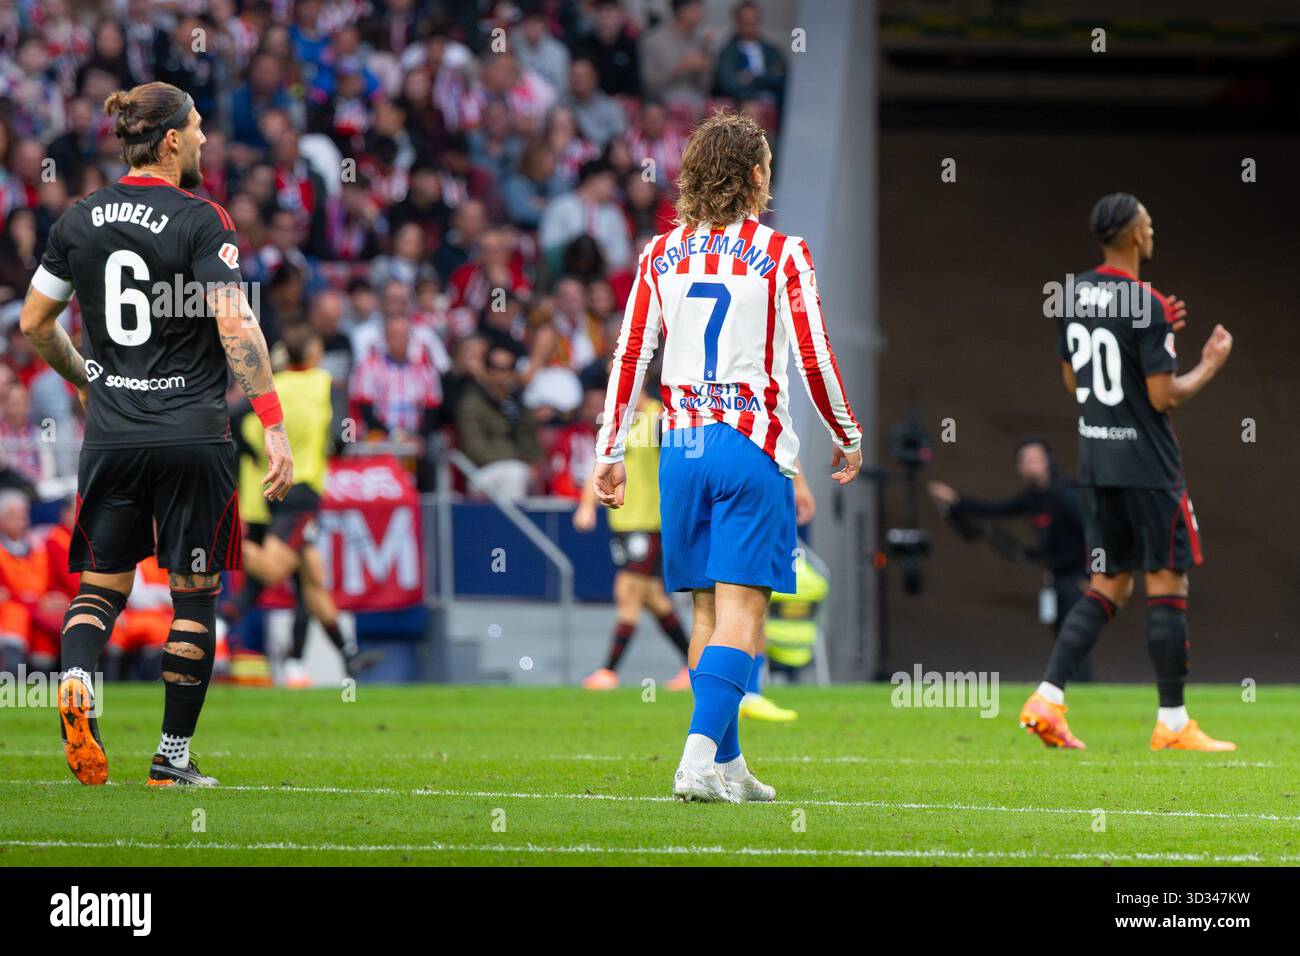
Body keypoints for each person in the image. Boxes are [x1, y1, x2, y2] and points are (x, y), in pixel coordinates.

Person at [18, 81, 294, 788]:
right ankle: (172, 759)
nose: (204, 138)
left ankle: (77, 679)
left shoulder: (77, 219)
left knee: (100, 584)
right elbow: (235, 323)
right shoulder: (204, 219)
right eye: (197, 127)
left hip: (113, 434)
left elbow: (33, 324)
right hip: (191, 436)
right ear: (170, 139)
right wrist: (274, 424)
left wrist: (86, 379)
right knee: (194, 594)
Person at [591, 111, 862, 803]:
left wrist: (610, 447)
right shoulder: (782, 252)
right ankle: (695, 758)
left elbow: (630, 356)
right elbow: (814, 355)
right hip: (749, 443)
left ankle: (729, 765)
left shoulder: (659, 253)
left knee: (711, 611)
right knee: (745, 607)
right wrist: (846, 432)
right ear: (754, 176)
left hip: (679, 447)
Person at [1020, 192, 1234, 752]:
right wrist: (1208, 364)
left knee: (1108, 583)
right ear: (1137, 234)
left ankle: (1046, 697)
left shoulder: (1070, 294)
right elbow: (1165, 396)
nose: (1153, 231)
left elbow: (1074, 382)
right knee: (1167, 580)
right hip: (1149, 467)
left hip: (1096, 463)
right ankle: (1172, 721)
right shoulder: (1150, 302)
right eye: (1151, 224)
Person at [230, 324, 383, 685]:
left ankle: (347, 655)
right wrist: (335, 447)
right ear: (312, 352)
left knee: (312, 579)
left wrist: (252, 455)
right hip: (301, 492)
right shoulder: (323, 384)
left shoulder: (270, 386)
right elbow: (342, 436)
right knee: (272, 571)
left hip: (265, 494)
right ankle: (208, 541)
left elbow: (233, 420)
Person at [928, 438, 1093, 681]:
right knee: (1062, 635)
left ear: (1048, 461)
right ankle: (1065, 687)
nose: (1030, 465)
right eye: (1025, 461)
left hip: (1076, 577)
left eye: (1035, 459)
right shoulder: (1034, 497)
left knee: (1075, 635)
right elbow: (998, 509)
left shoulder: (1066, 495)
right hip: (1055, 575)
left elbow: (1093, 532)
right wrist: (957, 501)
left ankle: (1082, 686)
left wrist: (1092, 576)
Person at [575, 381, 691, 692]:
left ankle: (608, 672)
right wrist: (586, 506)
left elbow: (682, 464)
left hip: (649, 523)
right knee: (652, 597)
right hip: (623, 524)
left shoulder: (658, 419)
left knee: (627, 592)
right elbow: (601, 464)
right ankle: (693, 666)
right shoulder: (616, 422)